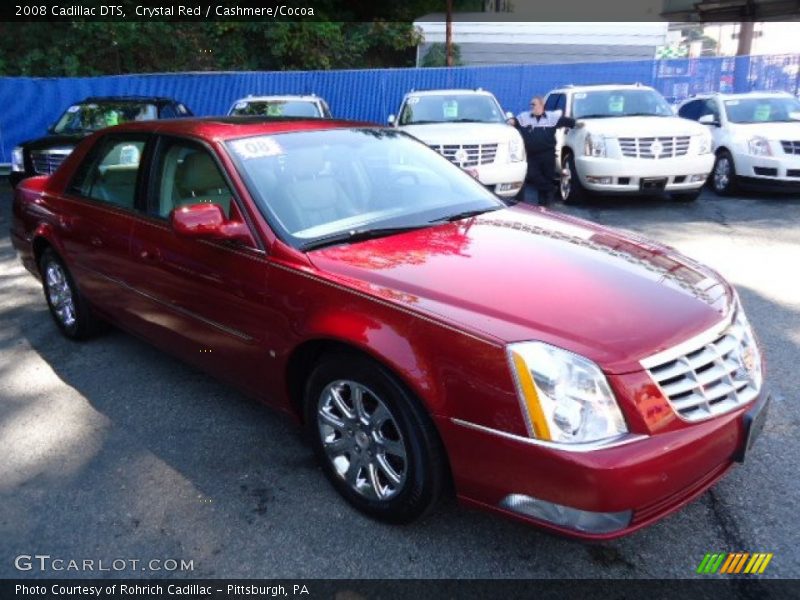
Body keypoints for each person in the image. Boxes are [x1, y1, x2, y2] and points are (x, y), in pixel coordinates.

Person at [515, 96, 578, 206]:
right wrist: (510, 120)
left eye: (534, 104)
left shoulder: (552, 117)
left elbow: (567, 121)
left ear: (541, 105)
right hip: (531, 155)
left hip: (547, 154)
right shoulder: (524, 117)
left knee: (547, 177)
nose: (531, 106)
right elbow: (514, 121)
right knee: (532, 175)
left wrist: (578, 124)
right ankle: (551, 189)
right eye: (531, 104)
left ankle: (544, 205)